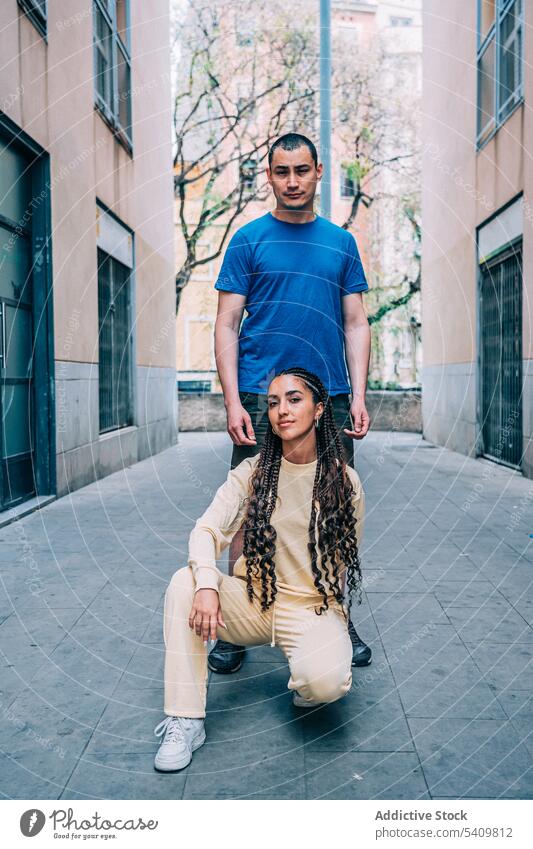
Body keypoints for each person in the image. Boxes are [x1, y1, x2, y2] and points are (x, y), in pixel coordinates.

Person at [209, 131, 372, 675]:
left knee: (331, 509)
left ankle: (334, 612)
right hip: (260, 393)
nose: (293, 181)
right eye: (283, 171)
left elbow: (355, 322)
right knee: (247, 511)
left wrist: (359, 395)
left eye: (302, 170)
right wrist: (233, 402)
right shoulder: (248, 239)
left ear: (319, 171)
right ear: (270, 174)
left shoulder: (341, 244)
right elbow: (227, 322)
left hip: (329, 397)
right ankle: (234, 623)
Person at [154, 368, 365, 772]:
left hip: (310, 608)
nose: (281, 410)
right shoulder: (253, 473)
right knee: (185, 582)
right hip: (253, 600)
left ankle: (309, 675)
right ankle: (186, 719)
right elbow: (205, 529)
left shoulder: (345, 482)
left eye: (294, 399)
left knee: (326, 683)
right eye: (272, 402)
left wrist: (335, 625)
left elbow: (342, 563)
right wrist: (207, 586)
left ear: (320, 409)